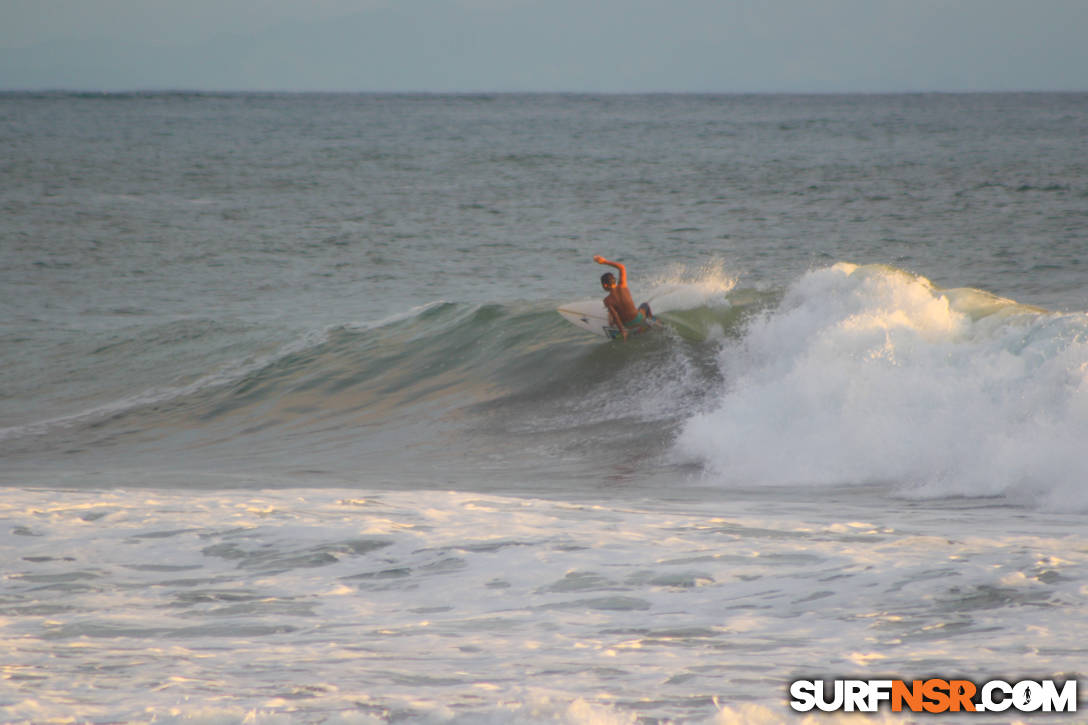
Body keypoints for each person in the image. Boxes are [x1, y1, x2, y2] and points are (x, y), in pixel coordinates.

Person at [594, 255, 653, 340]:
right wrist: (604, 262)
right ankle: (650, 322)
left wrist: (622, 331)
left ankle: (612, 323)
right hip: (638, 320)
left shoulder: (607, 300)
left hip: (627, 325)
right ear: (614, 281)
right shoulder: (623, 286)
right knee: (645, 305)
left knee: (611, 313)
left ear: (605, 285)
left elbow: (615, 316)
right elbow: (621, 267)